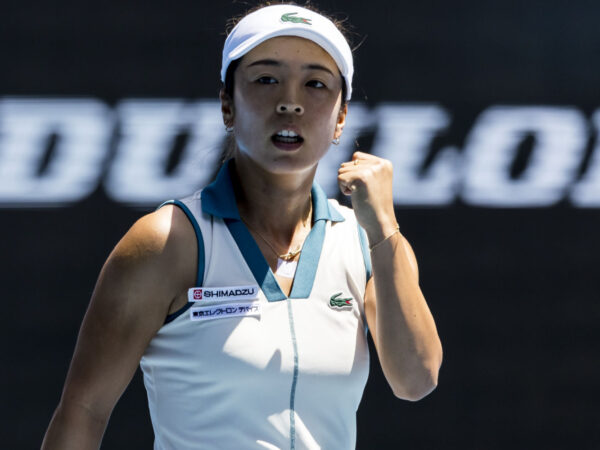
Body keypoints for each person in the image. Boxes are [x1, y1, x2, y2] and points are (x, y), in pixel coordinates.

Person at [42, 3, 443, 449]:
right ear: (227, 105)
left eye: (315, 84)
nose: (290, 101)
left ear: (340, 118)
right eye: (266, 79)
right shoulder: (166, 240)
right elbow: (83, 411)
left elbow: (416, 380)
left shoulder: (369, 241)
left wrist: (384, 228)